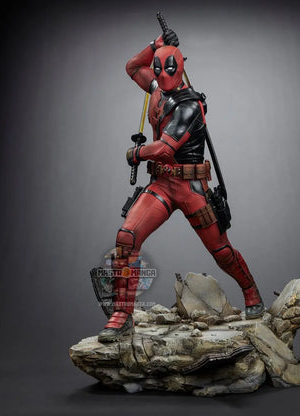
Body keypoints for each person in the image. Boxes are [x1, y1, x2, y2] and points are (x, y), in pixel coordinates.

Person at [98, 29, 264, 343]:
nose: (162, 76)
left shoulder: (190, 105)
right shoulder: (156, 88)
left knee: (221, 251)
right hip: (162, 184)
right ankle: (122, 315)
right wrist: (155, 45)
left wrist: (135, 153)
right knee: (127, 237)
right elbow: (132, 67)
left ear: (180, 67)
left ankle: (251, 291)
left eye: (169, 69)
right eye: (158, 69)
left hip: (191, 188)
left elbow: (164, 148)